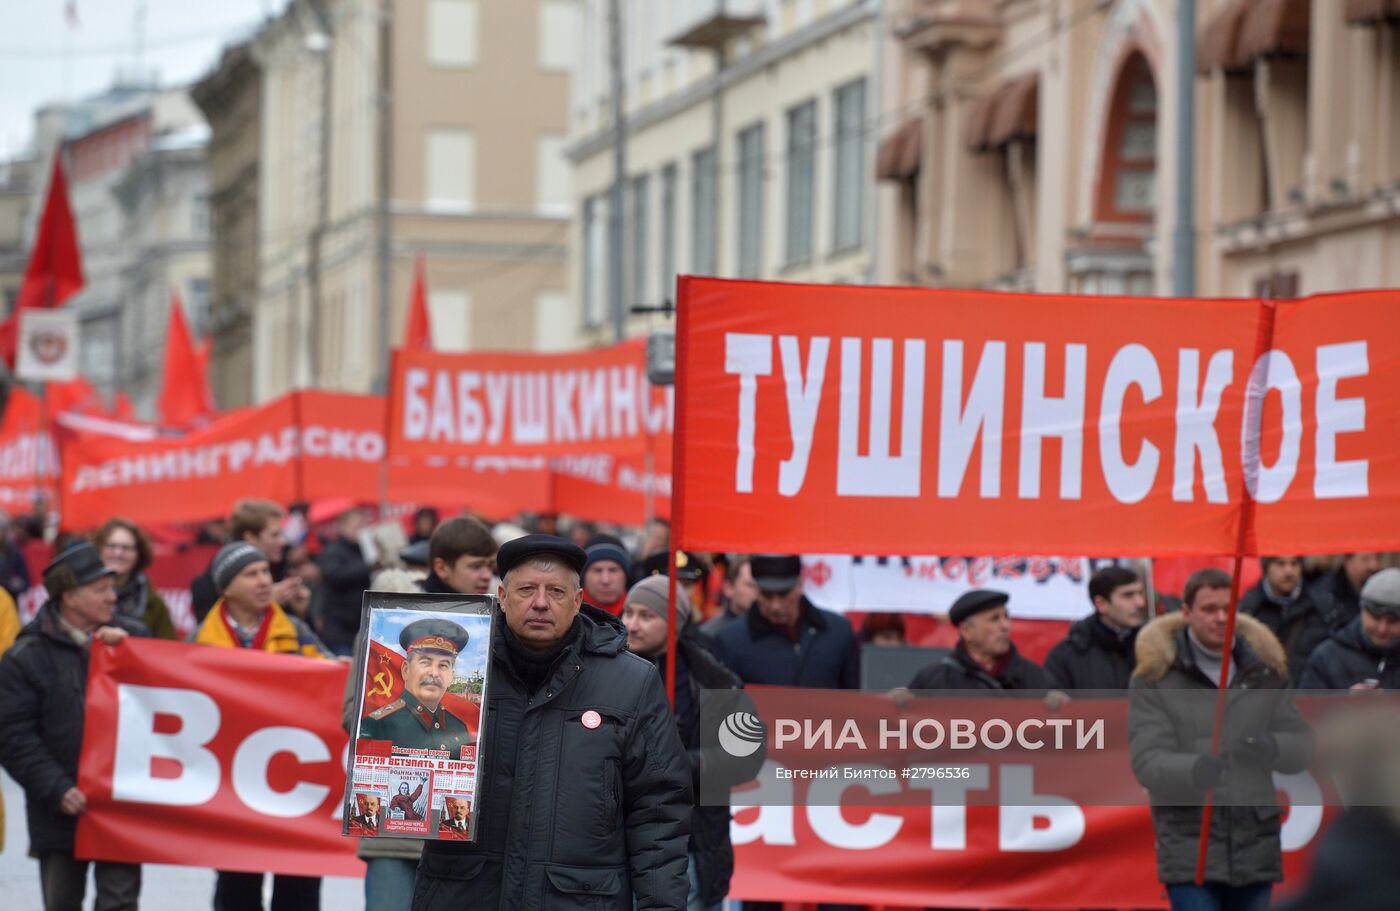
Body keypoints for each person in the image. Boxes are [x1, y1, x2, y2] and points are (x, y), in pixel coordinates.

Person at [412, 534, 691, 911]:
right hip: (461, 892)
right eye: (527, 589)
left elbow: (658, 808)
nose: (540, 603)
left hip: (579, 898)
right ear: (502, 596)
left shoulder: (631, 683)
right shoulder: (452, 669)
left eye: (556, 592)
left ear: (577, 602)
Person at [1129, 567, 1312, 911]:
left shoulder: (1265, 671)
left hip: (1254, 845)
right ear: (1186, 613)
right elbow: (1146, 760)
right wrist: (1194, 769)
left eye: (1227, 609)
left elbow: (1301, 746)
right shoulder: (1156, 676)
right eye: (1209, 609)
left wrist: (1271, 747)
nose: (1220, 618)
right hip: (1190, 843)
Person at [0, 543, 147, 911]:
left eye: (111, 589)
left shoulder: (132, 639)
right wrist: (56, 788)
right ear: (70, 597)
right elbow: (13, 736)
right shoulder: (26, 657)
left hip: (120, 804)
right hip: (59, 810)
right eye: (99, 590)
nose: (112, 598)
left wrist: (133, 655)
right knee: (62, 903)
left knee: (120, 903)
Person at [191, 541, 329, 911]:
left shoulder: (297, 632)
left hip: (292, 785)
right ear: (226, 587)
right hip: (231, 791)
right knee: (237, 888)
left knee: (298, 887)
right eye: (250, 574)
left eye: (266, 571)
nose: (263, 580)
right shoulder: (198, 642)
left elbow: (330, 683)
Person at [622, 576, 758, 911]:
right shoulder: (603, 670)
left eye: (647, 616)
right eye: (629, 612)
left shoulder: (712, 681)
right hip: (616, 840)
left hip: (688, 842)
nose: (632, 625)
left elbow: (745, 755)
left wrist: (680, 762)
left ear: (675, 624)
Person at [710, 554, 858, 688]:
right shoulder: (731, 641)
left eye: (784, 594)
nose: (775, 606)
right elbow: (722, 711)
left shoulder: (838, 632)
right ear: (756, 589)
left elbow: (855, 703)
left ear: (800, 585)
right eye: (766, 595)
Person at [359, 619, 476, 754]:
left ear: (451, 677)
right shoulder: (379, 724)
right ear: (406, 670)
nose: (434, 673)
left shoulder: (459, 727)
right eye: (425, 662)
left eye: (443, 665)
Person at [192, 500, 311, 623]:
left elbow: (302, 638)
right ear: (250, 538)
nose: (283, 541)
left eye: (264, 572)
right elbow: (209, 635)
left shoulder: (283, 570)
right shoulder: (208, 584)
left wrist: (300, 612)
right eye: (274, 535)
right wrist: (263, 602)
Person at [908, 589, 1050, 690]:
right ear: (966, 631)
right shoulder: (935, 681)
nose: (1005, 625)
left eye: (1006, 617)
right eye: (994, 619)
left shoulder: (1035, 678)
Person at [1043, 565, 1147, 690]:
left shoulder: (1156, 648)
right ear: (1101, 604)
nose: (1140, 603)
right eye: (1128, 595)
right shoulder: (1066, 657)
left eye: (1141, 593)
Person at [1300, 568, 1400, 690]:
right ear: (1362, 611)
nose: (1382, 629)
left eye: (1392, 621)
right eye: (1375, 618)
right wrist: (1345, 705)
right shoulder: (1327, 658)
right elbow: (1303, 707)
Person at [1240, 556, 1329, 685]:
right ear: (1267, 567)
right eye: (1280, 564)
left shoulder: (1320, 608)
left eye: (1294, 564)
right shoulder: (1250, 608)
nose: (1289, 571)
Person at [93, 518, 177, 641]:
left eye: (126, 548)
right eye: (111, 546)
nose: (118, 553)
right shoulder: (83, 594)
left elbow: (168, 648)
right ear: (99, 550)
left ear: (138, 554)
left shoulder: (154, 602)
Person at [316, 505, 373, 655]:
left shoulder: (364, 550)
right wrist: (368, 566)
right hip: (339, 631)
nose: (360, 530)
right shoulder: (333, 550)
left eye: (363, 525)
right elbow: (335, 575)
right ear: (343, 526)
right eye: (356, 526)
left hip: (360, 628)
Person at [1309, 552, 1382, 632]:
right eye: (1365, 559)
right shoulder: (1325, 595)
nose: (1374, 566)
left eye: (1377, 558)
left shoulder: (1380, 591)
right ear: (1348, 562)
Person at [424, 516, 496, 596]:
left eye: (490, 566)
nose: (487, 576)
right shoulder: (412, 608)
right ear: (442, 568)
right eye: (476, 566)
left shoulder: (500, 604)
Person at [700, 556, 758, 640]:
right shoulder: (709, 634)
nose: (757, 591)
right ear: (729, 588)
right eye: (749, 585)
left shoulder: (773, 631)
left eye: (759, 585)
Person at [583, 540, 631, 615]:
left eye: (613, 570)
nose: (605, 580)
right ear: (583, 576)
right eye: (597, 570)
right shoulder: (567, 617)